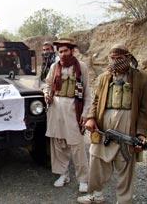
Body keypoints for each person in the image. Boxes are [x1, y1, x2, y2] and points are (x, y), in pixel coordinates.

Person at [77, 44, 147, 204]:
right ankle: (95, 194)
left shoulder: (142, 78)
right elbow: (96, 100)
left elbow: (145, 109)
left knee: (126, 163)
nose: (116, 62)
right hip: (103, 125)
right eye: (113, 59)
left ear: (128, 57)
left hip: (128, 125)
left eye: (120, 58)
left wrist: (141, 133)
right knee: (96, 158)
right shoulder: (105, 77)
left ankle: (124, 200)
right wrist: (90, 118)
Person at [43, 37, 91, 192]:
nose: (62, 54)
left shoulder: (81, 67)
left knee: (76, 145)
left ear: (72, 50)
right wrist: (46, 92)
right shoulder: (54, 66)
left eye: (65, 51)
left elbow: (87, 93)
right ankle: (63, 174)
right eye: (60, 51)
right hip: (56, 108)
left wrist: (85, 113)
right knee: (58, 143)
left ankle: (83, 179)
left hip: (73, 108)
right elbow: (47, 84)